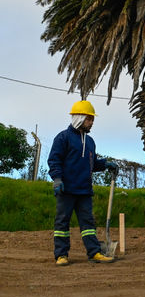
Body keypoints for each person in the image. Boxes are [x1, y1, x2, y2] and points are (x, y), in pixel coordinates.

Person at [48, 100, 119, 266]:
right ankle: (61, 255)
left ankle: (94, 253)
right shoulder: (63, 138)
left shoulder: (91, 142)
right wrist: (57, 179)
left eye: (92, 119)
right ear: (79, 118)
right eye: (89, 119)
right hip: (66, 189)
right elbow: (54, 160)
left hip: (84, 191)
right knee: (62, 223)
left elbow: (91, 163)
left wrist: (105, 164)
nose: (92, 122)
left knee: (88, 224)